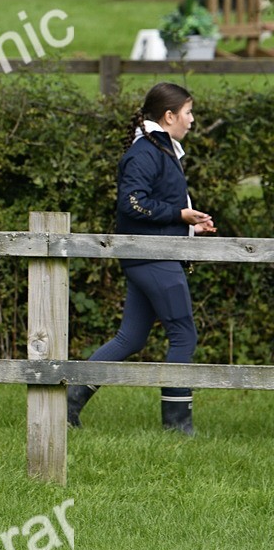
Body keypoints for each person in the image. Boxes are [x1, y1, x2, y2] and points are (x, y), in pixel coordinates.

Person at [67, 83, 215, 435]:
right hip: (153, 259)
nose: (192, 120)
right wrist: (180, 216)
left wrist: (191, 226)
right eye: (188, 113)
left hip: (152, 255)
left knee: (130, 339)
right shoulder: (146, 152)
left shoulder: (159, 150)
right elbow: (132, 204)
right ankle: (178, 428)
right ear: (169, 116)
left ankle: (67, 405)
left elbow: (153, 207)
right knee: (183, 335)